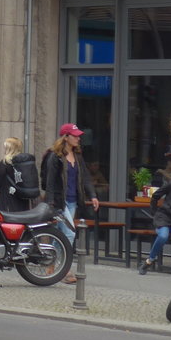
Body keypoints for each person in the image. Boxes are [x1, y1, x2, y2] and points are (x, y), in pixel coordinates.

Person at [43, 122, 100, 284]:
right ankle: (65, 269)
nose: (78, 138)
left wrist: (93, 195)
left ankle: (51, 264)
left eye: (78, 136)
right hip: (60, 202)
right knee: (69, 233)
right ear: (66, 137)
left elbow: (86, 178)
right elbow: (50, 182)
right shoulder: (55, 156)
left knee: (60, 235)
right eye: (75, 136)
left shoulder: (78, 156)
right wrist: (51, 203)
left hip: (73, 201)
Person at [0, 137, 37, 212]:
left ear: (9, 149)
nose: (4, 150)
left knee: (9, 222)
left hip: (9, 200)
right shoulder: (24, 163)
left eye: (5, 148)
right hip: (23, 200)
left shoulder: (5, 163)